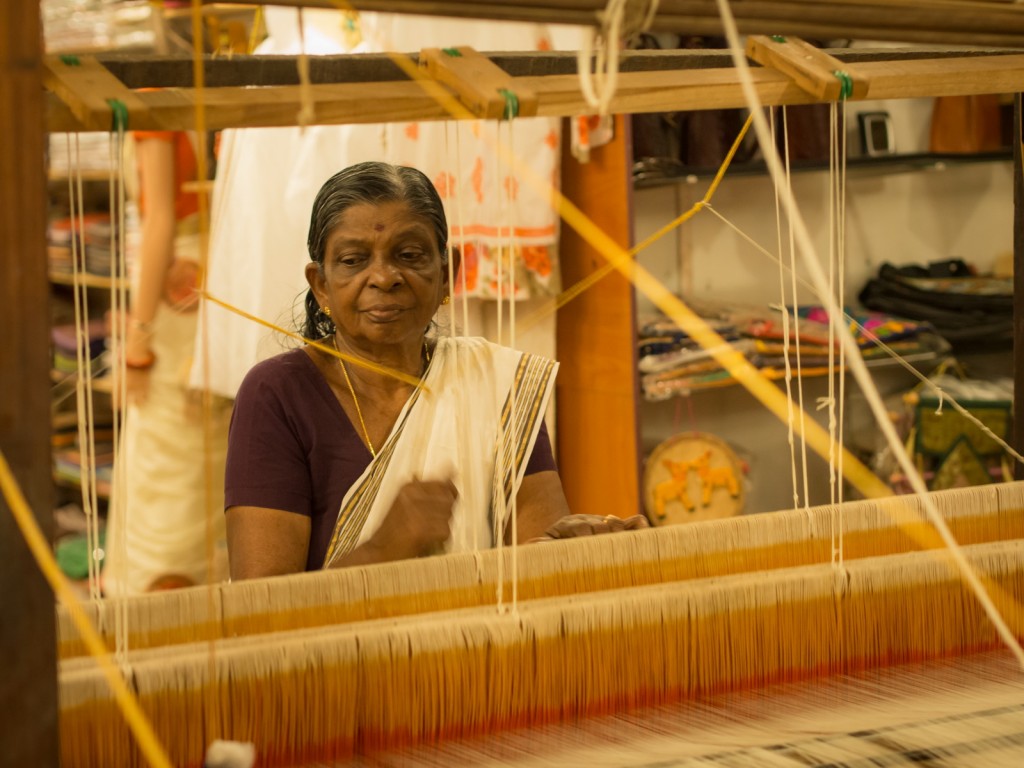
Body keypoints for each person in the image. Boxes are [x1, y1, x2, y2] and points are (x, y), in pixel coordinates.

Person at [224, 162, 646, 579]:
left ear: (447, 274)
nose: (385, 277)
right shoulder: (277, 394)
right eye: (354, 260)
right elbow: (262, 608)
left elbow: (529, 568)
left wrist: (568, 546)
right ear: (320, 285)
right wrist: (385, 549)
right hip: (338, 651)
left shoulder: (497, 384)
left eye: (408, 255)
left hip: (480, 645)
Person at [102, 130, 232, 594]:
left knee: (167, 444)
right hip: (207, 273)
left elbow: (158, 221)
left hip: (175, 284)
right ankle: (206, 590)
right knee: (199, 444)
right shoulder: (196, 103)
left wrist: (136, 347)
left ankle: (161, 599)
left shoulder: (153, 108)